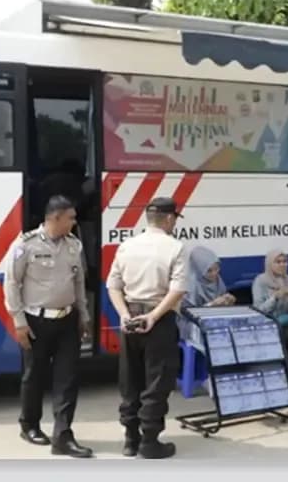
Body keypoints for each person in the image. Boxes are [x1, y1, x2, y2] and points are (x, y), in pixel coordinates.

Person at [5, 195, 93, 458]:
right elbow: (11, 284)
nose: (75, 222)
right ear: (55, 218)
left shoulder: (74, 245)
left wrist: (83, 315)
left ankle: (63, 436)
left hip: (67, 320)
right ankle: (29, 424)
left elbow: (79, 283)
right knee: (35, 375)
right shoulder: (25, 245)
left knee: (67, 378)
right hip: (36, 322)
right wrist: (19, 322)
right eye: (71, 217)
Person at [106, 197, 188, 459]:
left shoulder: (127, 246)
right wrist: (154, 316)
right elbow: (177, 290)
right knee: (157, 380)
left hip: (130, 316)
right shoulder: (176, 248)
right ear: (169, 219)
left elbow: (114, 286)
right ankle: (150, 441)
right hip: (158, 320)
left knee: (130, 379)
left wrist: (123, 315)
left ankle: (131, 439)